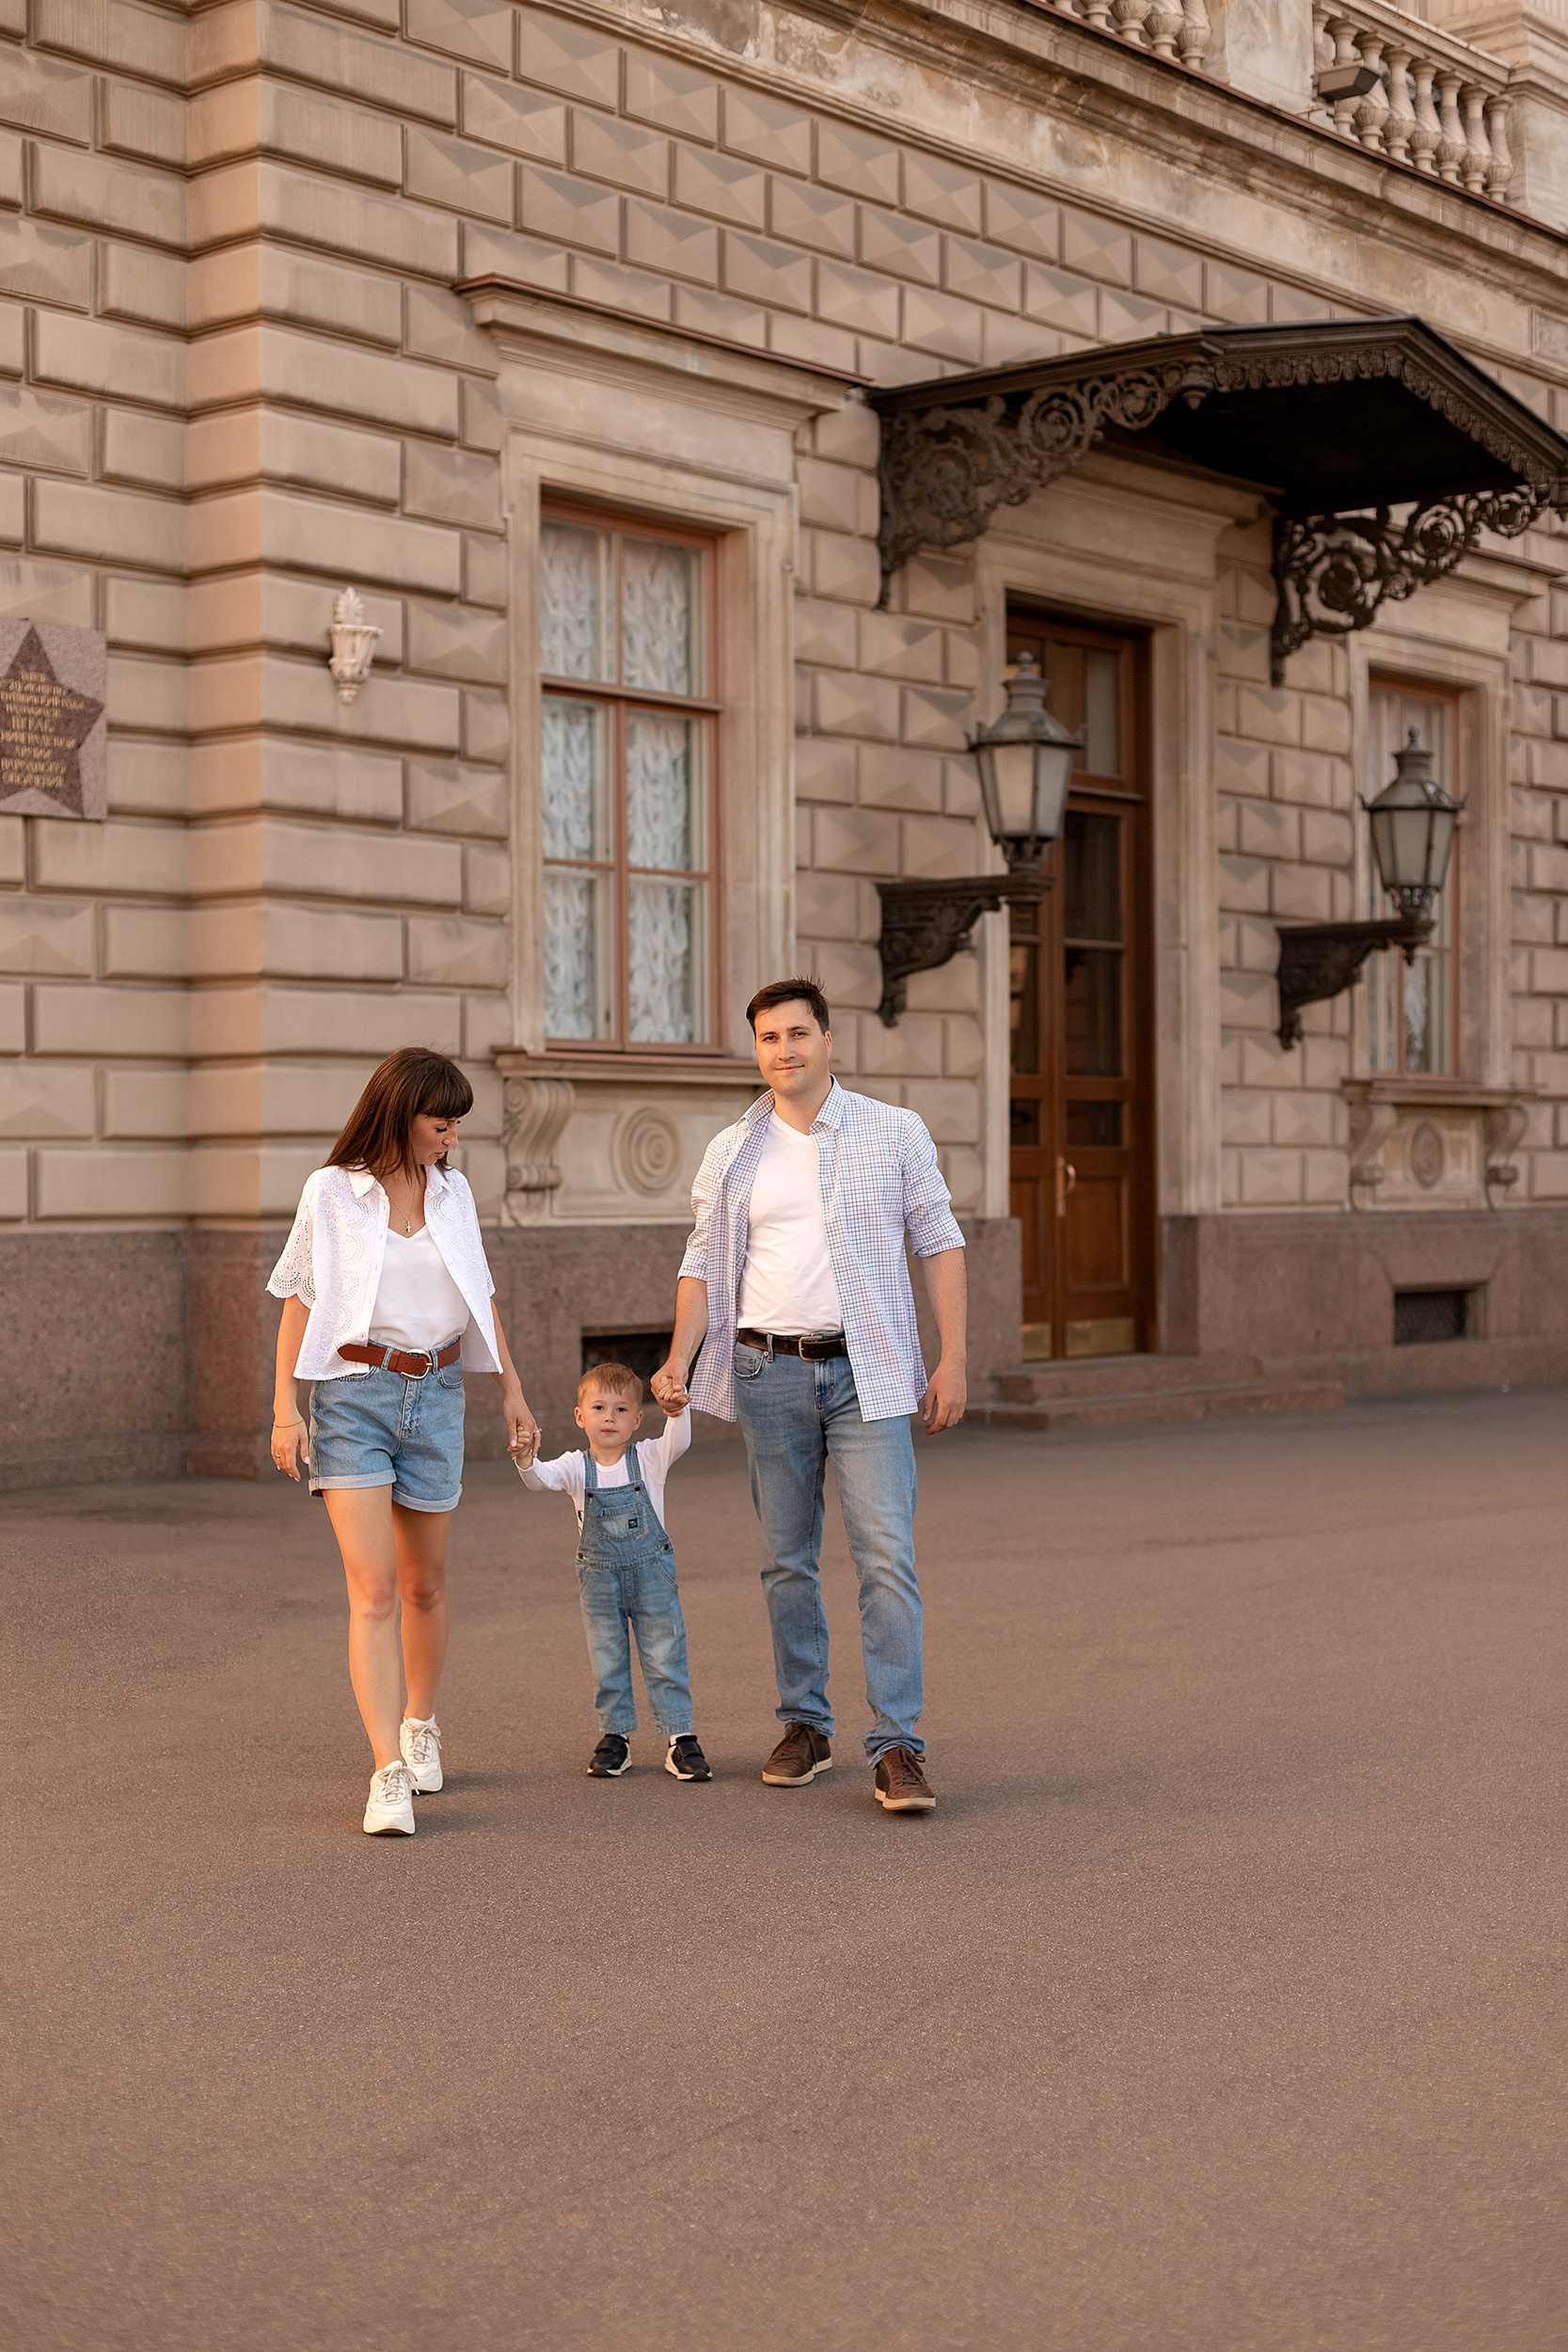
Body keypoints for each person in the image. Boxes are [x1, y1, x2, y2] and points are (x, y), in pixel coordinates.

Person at [651, 978, 966, 1814]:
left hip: (869, 1371)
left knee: (885, 1557)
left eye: (797, 1034)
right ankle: (805, 1726)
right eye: (767, 1039)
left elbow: (939, 1239)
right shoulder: (733, 1151)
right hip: (766, 1371)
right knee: (785, 1559)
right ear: (756, 1051)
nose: (783, 1051)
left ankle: (897, 1743)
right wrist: (677, 1357)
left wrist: (955, 1356)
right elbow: (701, 1266)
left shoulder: (892, 1132)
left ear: (829, 1041)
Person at [269, 1045, 539, 1836]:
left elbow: (479, 1294)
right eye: (439, 1123)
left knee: (425, 1584)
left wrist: (512, 1390)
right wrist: (285, 1406)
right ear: (399, 1113)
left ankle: (421, 1723)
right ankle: (387, 1768)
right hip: (354, 1396)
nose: (450, 1137)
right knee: (375, 1587)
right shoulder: (332, 1192)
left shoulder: (453, 1195)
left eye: (455, 1125)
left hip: (441, 1395)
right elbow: (298, 1297)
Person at [515, 1362, 710, 1784]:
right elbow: (540, 1479)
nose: (610, 1417)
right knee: (608, 1657)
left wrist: (677, 1411)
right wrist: (527, 1460)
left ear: (638, 1420)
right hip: (599, 1581)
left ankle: (681, 1737)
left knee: (665, 1652)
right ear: (580, 1416)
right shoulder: (575, 1466)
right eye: (599, 1407)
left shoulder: (649, 1458)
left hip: (652, 1575)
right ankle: (615, 1736)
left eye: (622, 1410)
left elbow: (681, 1439)